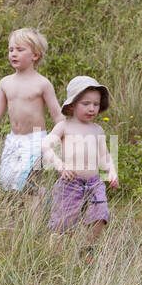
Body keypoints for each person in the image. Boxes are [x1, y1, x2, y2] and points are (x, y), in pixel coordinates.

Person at [0, 28, 64, 194]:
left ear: (35, 55)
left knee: (30, 183)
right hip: (14, 141)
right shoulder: (5, 83)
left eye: (20, 50)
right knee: (11, 182)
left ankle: (36, 215)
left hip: (36, 140)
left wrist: (60, 141)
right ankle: (40, 204)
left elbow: (58, 116)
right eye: (11, 50)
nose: (13, 54)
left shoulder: (42, 84)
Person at [42, 75, 118, 251]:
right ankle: (55, 256)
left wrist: (111, 172)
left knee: (100, 215)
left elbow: (104, 156)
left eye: (96, 104)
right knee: (63, 224)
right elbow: (45, 146)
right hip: (70, 183)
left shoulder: (98, 130)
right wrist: (60, 165)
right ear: (72, 105)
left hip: (94, 182)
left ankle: (87, 250)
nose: (92, 108)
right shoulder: (64, 126)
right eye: (86, 103)